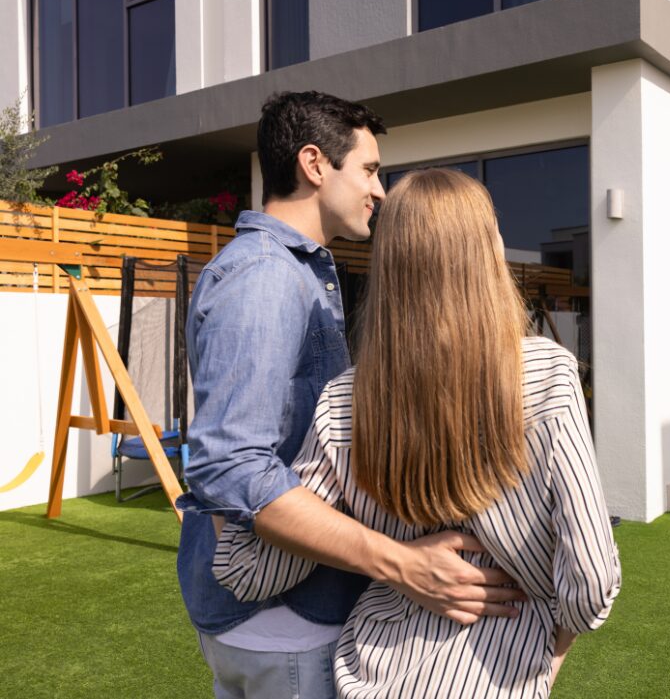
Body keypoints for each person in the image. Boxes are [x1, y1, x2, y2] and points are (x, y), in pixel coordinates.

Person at [210, 169, 621, 697]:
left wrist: (220, 484)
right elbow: (589, 589)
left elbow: (249, 570)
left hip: (372, 676)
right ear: (487, 252)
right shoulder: (548, 375)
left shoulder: (344, 400)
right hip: (502, 677)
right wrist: (547, 659)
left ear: (391, 265)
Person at [178, 93, 525, 699]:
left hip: (286, 616)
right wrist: (403, 563)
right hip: (283, 622)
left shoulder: (299, 271)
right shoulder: (265, 279)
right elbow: (230, 466)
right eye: (368, 169)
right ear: (315, 164)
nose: (381, 190)